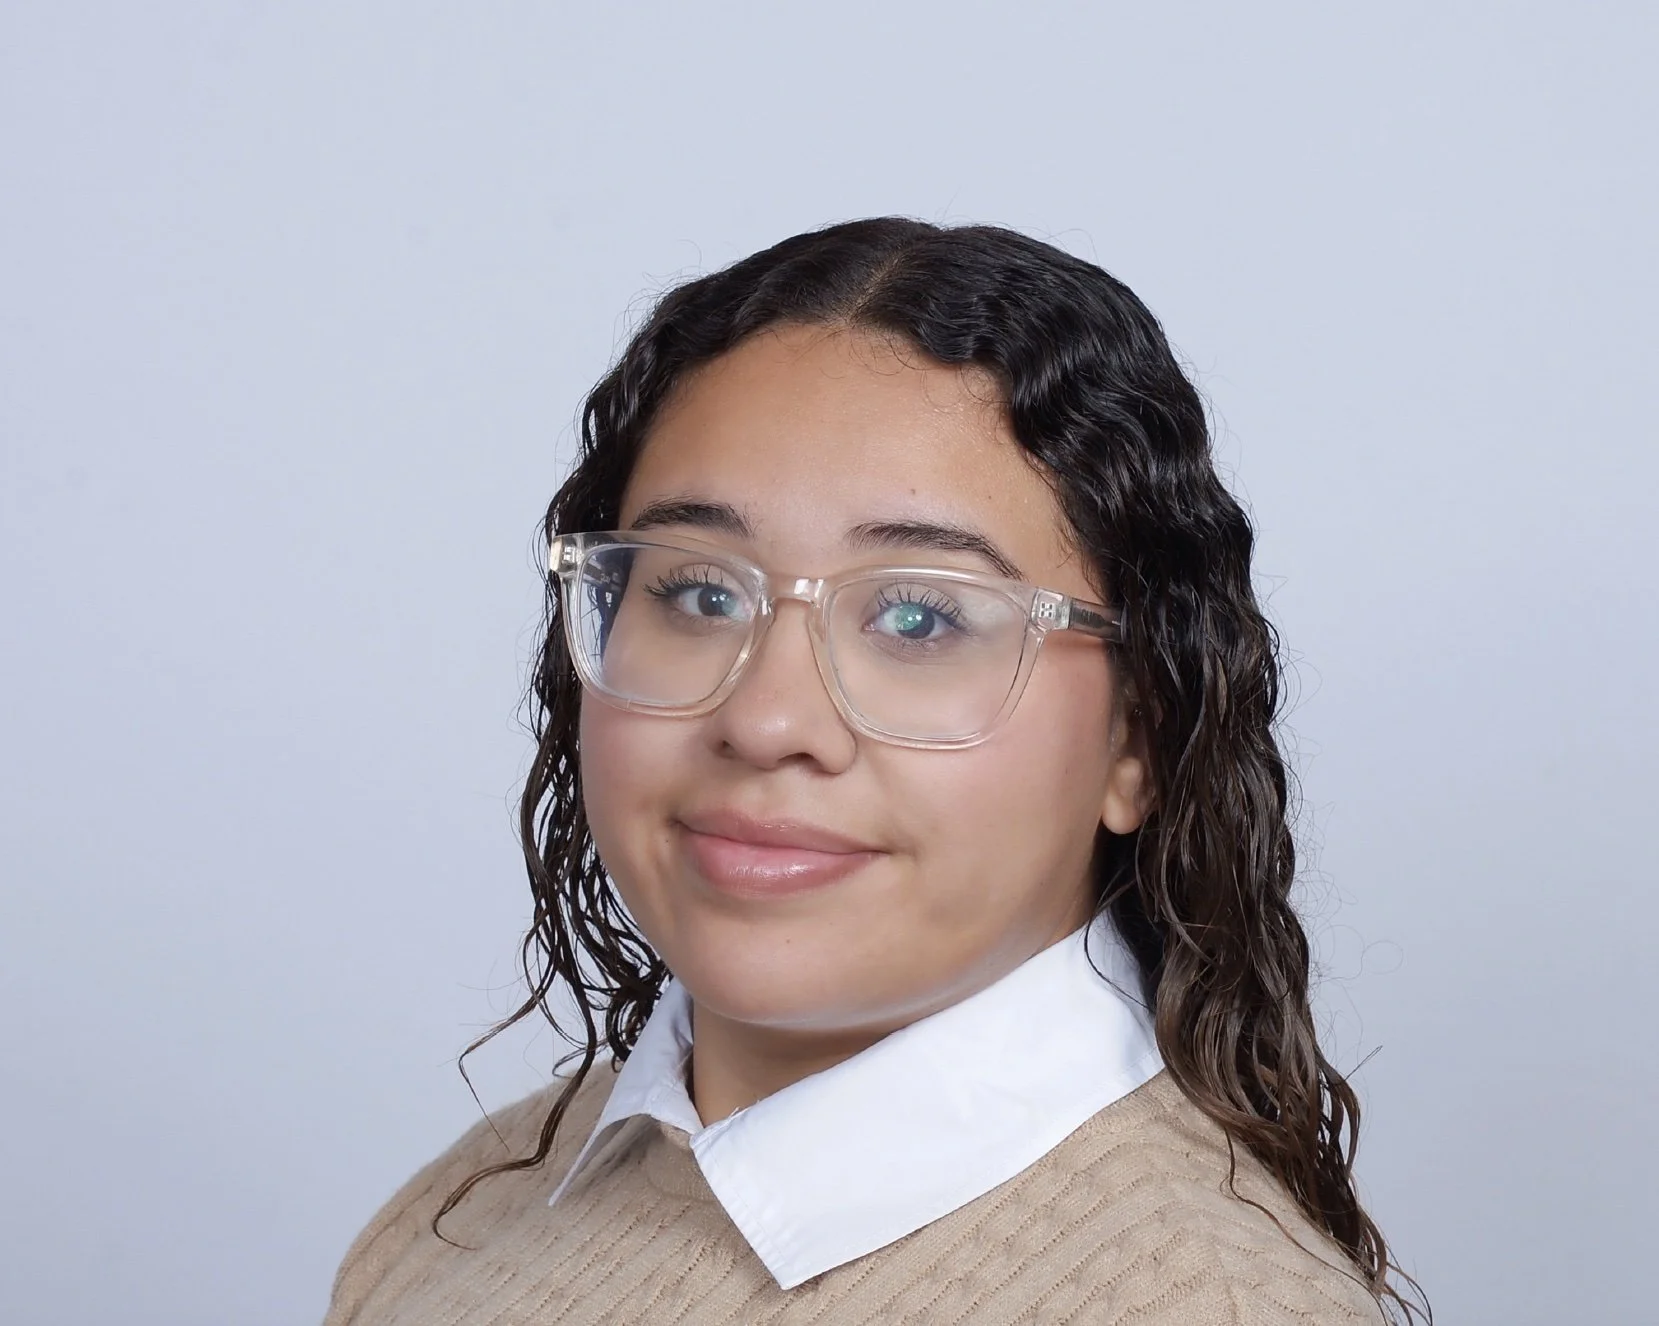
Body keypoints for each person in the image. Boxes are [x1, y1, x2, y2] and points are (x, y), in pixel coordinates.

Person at [323, 217, 1428, 1324]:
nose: (766, 720)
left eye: (919, 615)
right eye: (700, 592)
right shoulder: (469, 1213)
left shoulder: (1200, 1306)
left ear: (1139, 739)